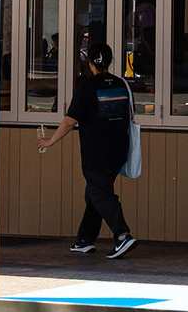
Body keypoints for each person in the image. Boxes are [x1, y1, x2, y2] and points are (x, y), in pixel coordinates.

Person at [37, 42, 137, 259]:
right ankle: (85, 240)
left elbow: (69, 120)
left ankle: (122, 235)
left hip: (96, 151)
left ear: (90, 63)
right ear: (109, 61)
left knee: (99, 192)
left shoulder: (87, 86)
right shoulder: (121, 84)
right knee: (96, 190)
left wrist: (50, 141)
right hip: (119, 149)